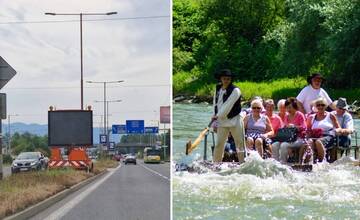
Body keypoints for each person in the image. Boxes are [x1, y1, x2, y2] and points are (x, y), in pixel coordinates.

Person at [212, 69, 245, 163]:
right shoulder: (218, 88)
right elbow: (215, 103)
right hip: (221, 121)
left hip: (235, 120)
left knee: (239, 143)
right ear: (221, 79)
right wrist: (215, 118)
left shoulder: (236, 90)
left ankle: (242, 162)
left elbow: (227, 105)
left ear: (231, 80)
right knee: (219, 144)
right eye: (224, 78)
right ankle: (216, 163)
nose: (226, 80)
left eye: (228, 79)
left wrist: (217, 116)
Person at [305, 97, 341, 162]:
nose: (320, 107)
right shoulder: (311, 117)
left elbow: (338, 128)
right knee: (309, 141)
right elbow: (308, 130)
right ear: (315, 106)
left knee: (318, 142)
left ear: (326, 106)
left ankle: (321, 161)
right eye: (318, 105)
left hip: (328, 136)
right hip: (315, 136)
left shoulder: (331, 115)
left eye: (322, 105)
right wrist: (307, 138)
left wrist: (337, 131)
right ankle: (310, 161)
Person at [272, 98, 307, 163]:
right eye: (287, 108)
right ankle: (275, 162)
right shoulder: (286, 116)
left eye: (290, 107)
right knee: (275, 144)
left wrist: (294, 126)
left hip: (298, 138)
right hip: (288, 138)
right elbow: (284, 127)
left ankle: (283, 163)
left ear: (295, 107)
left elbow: (304, 127)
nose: (288, 109)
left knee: (284, 145)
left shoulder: (299, 115)